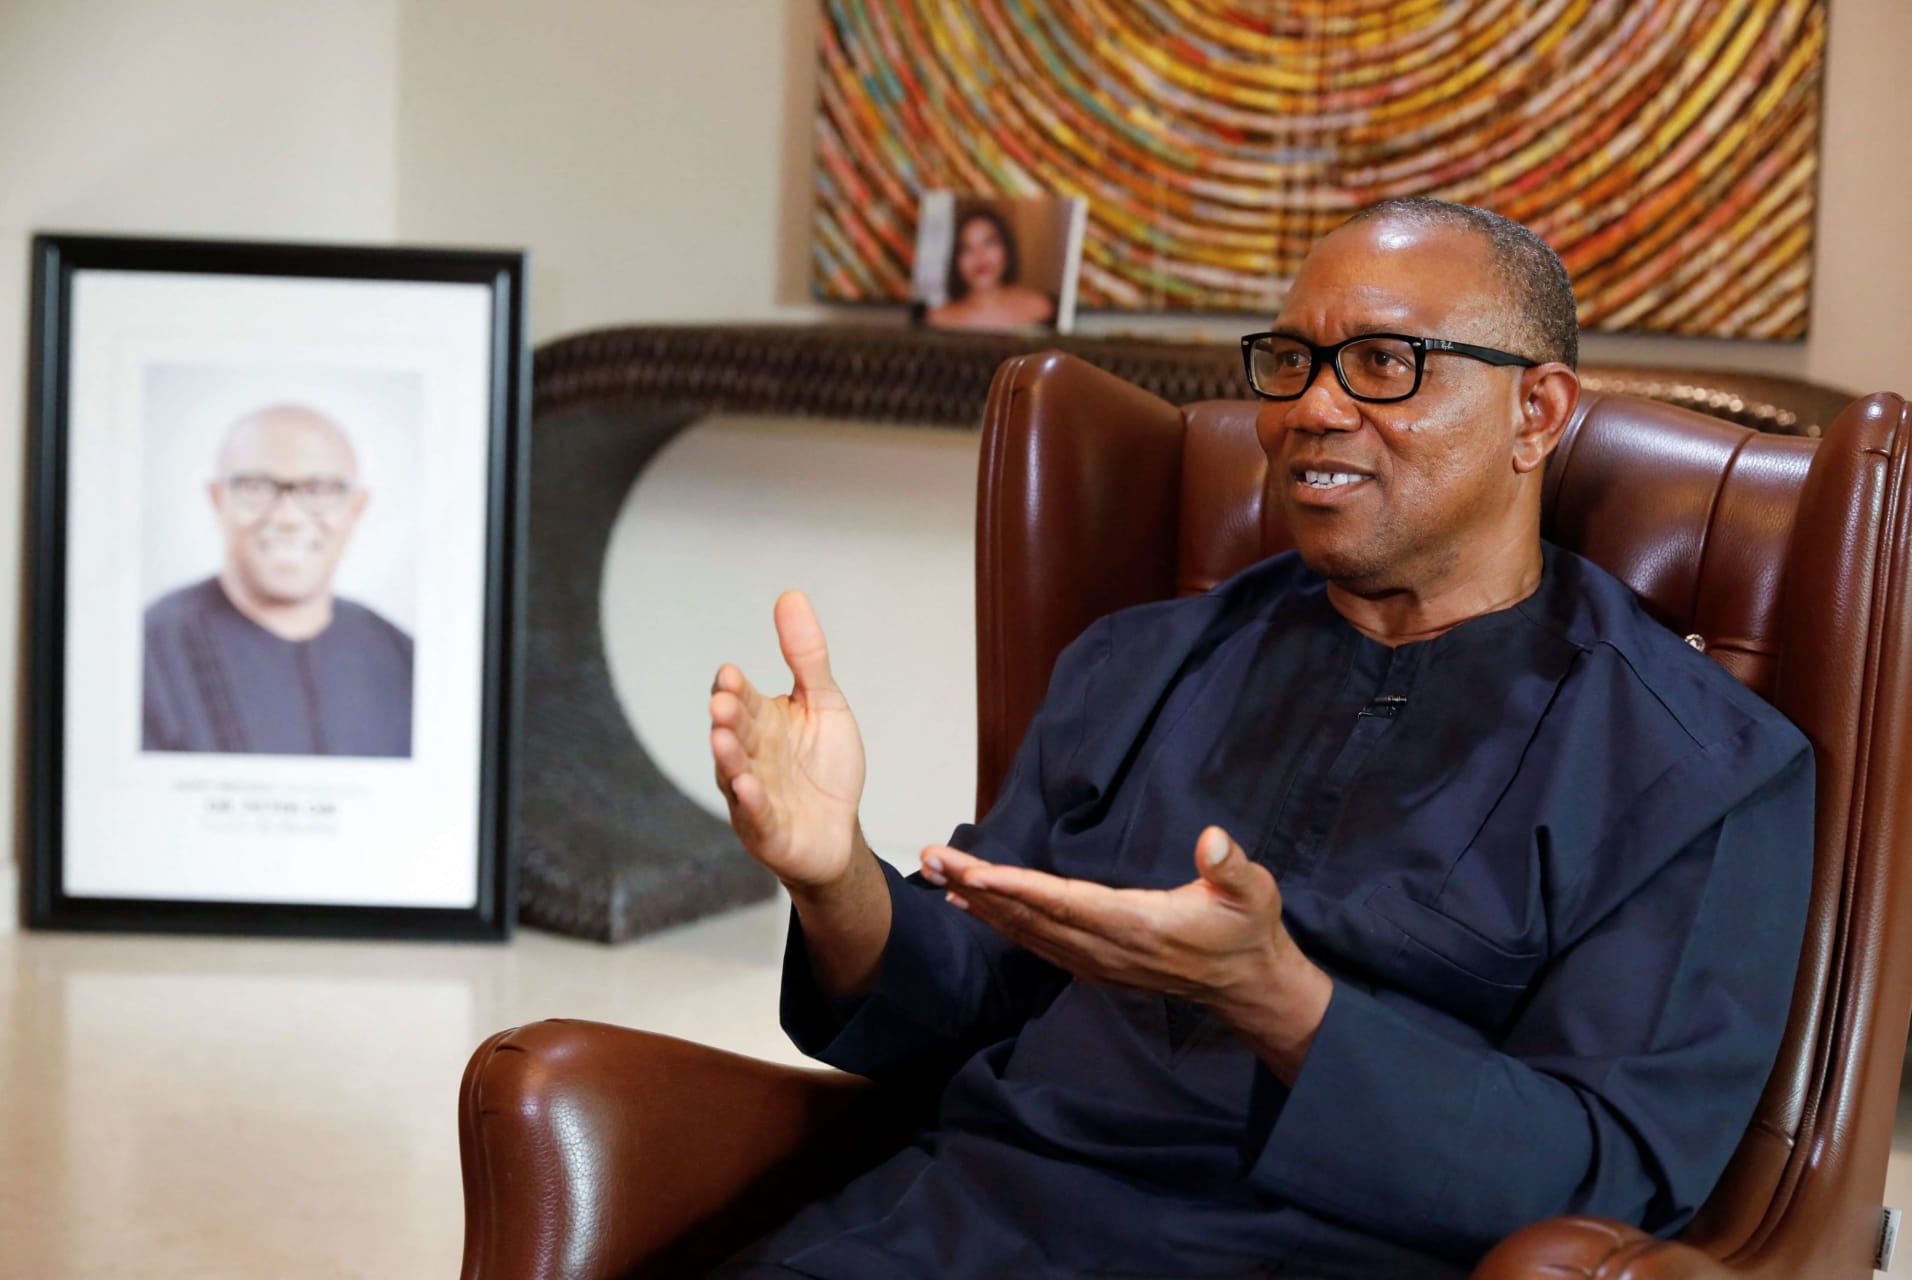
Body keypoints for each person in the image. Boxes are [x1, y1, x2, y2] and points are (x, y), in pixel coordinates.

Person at [706, 199, 1813, 1278]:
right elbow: (975, 996)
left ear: (1538, 412)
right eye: (1291, 361)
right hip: (970, 1218)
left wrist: (1279, 995)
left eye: (1385, 363)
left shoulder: (1698, 766)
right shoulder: (1141, 662)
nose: (1311, 410)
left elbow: (1604, 1171)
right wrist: (836, 877)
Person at [143, 403, 414, 757]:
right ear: (217, 499)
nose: (288, 517)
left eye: (319, 489)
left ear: (356, 507)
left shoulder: (400, 656)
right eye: (256, 487)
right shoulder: (149, 651)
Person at [926, 205, 1058, 330]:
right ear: (956, 260)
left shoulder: (1040, 307)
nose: (979, 256)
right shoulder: (939, 319)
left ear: (1007, 249)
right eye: (966, 248)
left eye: (989, 243)